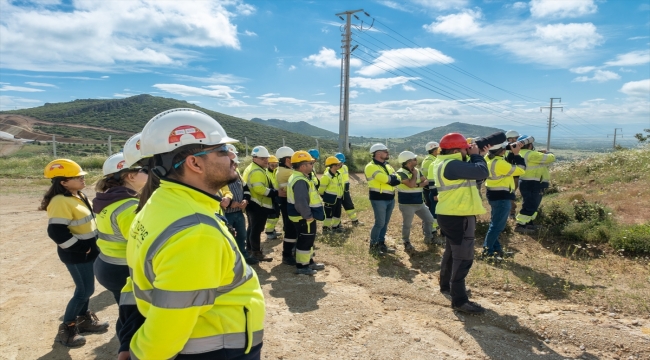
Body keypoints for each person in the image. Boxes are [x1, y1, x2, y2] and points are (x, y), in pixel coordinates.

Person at [121, 108, 265, 359]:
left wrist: (128, 339)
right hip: (216, 349)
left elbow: (134, 283)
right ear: (195, 163)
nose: (234, 158)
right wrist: (139, 354)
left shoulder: (160, 204)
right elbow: (168, 325)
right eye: (223, 151)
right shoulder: (196, 232)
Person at [40, 159, 109, 347]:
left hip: (88, 252)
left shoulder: (77, 195)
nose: (82, 179)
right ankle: (68, 327)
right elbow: (56, 232)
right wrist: (80, 248)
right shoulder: (60, 201)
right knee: (84, 291)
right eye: (77, 177)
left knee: (87, 289)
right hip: (77, 254)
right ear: (63, 182)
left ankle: (83, 320)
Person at [433, 133, 489, 314]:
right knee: (463, 257)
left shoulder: (445, 162)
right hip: (459, 215)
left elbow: (476, 177)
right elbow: (481, 172)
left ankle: (446, 286)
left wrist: (478, 157)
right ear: (457, 150)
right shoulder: (452, 164)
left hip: (450, 213)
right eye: (466, 148)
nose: (468, 149)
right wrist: (476, 157)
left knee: (451, 253)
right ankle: (459, 301)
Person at [93, 152, 147, 337]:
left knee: (126, 311)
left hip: (108, 265)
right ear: (130, 176)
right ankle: (129, 348)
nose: (150, 174)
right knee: (135, 316)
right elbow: (141, 243)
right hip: (122, 269)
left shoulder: (109, 199)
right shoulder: (129, 206)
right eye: (145, 170)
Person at [482, 141, 526, 261]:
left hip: (494, 195)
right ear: (501, 151)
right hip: (502, 197)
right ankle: (487, 252)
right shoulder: (499, 163)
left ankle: (496, 249)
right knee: (497, 226)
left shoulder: (489, 159)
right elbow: (521, 170)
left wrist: (508, 151)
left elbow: (496, 155)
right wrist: (517, 154)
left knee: (494, 223)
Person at [286, 150, 326, 275]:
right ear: (303, 166)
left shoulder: (300, 177)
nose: (312, 166)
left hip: (303, 217)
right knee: (305, 241)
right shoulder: (300, 180)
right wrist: (308, 216)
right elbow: (301, 203)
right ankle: (302, 267)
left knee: (308, 240)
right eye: (310, 163)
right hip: (303, 218)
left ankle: (309, 262)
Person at [221, 145, 259, 265]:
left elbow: (245, 186)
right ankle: (231, 261)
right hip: (226, 213)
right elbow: (217, 192)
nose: (234, 165)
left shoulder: (236, 171)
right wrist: (230, 203)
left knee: (241, 236)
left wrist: (246, 199)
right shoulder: (218, 174)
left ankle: (243, 257)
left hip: (238, 212)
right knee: (228, 238)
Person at [243, 145, 282, 262]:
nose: (266, 160)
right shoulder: (256, 171)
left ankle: (250, 250)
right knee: (256, 229)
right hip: (258, 204)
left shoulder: (254, 168)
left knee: (252, 228)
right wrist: (275, 193)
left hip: (253, 204)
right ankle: (256, 253)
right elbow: (259, 189)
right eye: (263, 158)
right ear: (255, 158)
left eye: (267, 158)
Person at [364, 143, 402, 255]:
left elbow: (398, 178)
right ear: (378, 153)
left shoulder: (388, 166)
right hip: (378, 198)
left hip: (390, 197)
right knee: (379, 223)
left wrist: (392, 179)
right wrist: (392, 179)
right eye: (386, 151)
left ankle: (381, 244)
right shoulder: (371, 166)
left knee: (385, 223)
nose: (387, 153)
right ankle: (373, 246)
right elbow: (384, 179)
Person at [515, 135, 556, 233]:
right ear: (529, 145)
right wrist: (549, 153)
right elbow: (550, 158)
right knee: (531, 204)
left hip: (526, 182)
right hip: (534, 183)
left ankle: (528, 224)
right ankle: (520, 225)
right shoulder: (531, 154)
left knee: (530, 203)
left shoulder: (521, 153)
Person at [395, 151, 434, 251]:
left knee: (429, 220)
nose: (416, 160)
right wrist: (415, 175)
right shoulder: (400, 173)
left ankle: (428, 238)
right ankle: (406, 241)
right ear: (408, 162)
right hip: (407, 204)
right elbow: (411, 184)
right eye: (414, 159)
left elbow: (425, 181)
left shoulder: (416, 170)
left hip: (419, 202)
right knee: (407, 225)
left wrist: (418, 184)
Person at [275, 146, 299, 265]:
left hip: (286, 202)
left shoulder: (281, 170)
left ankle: (291, 251)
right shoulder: (288, 172)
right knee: (291, 230)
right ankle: (287, 254)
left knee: (291, 229)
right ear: (287, 160)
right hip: (288, 203)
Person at [334, 152, 361, 225]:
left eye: (342, 162)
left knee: (349, 205)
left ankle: (355, 221)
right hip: (336, 191)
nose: (341, 164)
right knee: (337, 208)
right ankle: (337, 224)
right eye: (339, 162)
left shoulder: (345, 167)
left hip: (345, 190)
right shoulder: (330, 169)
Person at [319, 156, 345, 233]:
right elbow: (321, 190)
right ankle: (326, 228)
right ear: (333, 166)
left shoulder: (338, 174)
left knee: (337, 214)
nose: (339, 165)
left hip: (339, 198)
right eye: (337, 164)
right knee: (328, 215)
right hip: (330, 200)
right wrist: (325, 197)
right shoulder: (326, 176)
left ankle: (335, 227)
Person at [422, 141, 440, 238]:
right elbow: (432, 177)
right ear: (434, 150)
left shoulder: (431, 159)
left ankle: (430, 229)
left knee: (430, 209)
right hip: (430, 189)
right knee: (431, 210)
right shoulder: (431, 161)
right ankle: (430, 230)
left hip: (429, 188)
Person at [264, 155, 283, 240]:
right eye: (272, 165)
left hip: (277, 195)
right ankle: (269, 232)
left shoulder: (276, 172)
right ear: (268, 164)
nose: (274, 167)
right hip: (271, 197)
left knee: (277, 214)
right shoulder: (266, 173)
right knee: (272, 215)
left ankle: (272, 230)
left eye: (276, 165)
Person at [504, 130, 521, 219]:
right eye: (512, 139)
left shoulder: (518, 148)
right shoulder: (506, 149)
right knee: (509, 194)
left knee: (511, 194)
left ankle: (511, 213)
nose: (515, 140)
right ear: (508, 139)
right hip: (509, 175)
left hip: (515, 176)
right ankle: (511, 212)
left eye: (516, 138)